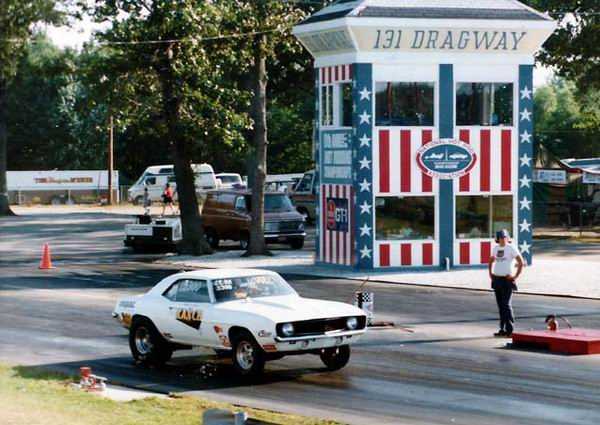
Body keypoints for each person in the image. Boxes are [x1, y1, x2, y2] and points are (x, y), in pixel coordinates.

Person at [488, 229, 524, 337]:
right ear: (497, 239)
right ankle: (502, 329)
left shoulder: (511, 248)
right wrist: (490, 273)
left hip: (507, 280)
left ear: (507, 238)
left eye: (504, 237)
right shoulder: (496, 248)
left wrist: (515, 276)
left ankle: (510, 330)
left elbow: (521, 262)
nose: (503, 239)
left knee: (506, 304)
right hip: (497, 279)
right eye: (500, 238)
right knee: (500, 306)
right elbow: (491, 260)